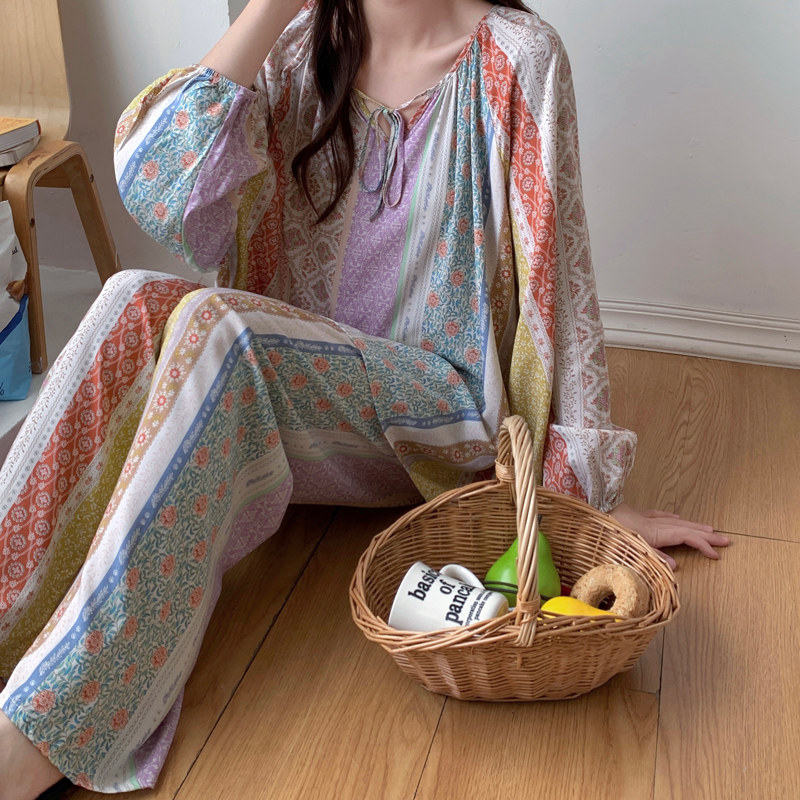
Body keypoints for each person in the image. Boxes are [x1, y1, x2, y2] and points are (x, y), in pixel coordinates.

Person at [0, 0, 729, 796]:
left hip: (434, 419)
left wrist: (585, 500)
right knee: (132, 297)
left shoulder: (520, 58)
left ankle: (47, 731)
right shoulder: (296, 47)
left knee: (218, 328)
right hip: (285, 398)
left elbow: (562, 280)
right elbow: (159, 186)